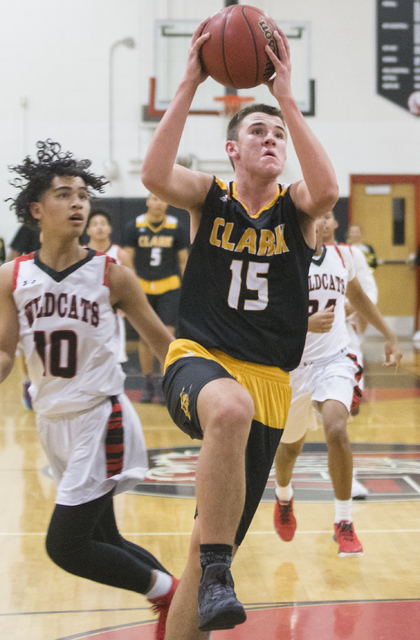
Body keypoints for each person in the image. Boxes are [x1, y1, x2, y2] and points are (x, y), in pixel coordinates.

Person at [141, 23, 339, 638]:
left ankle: (212, 572)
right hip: (200, 362)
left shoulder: (297, 209)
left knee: (198, 579)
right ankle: (222, 568)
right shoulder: (209, 197)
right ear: (232, 149)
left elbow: (329, 189)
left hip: (271, 387)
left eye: (278, 134)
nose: (272, 139)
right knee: (228, 407)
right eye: (258, 131)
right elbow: (153, 175)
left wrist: (285, 100)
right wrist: (189, 82)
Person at [0, 140, 178, 640]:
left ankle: (174, 595)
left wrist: (204, 397)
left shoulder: (112, 275)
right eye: (64, 195)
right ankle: (179, 598)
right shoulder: (12, 277)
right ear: (37, 209)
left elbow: (165, 344)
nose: (78, 203)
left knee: (66, 546)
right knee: (104, 536)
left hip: (102, 418)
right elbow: (5, 355)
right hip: (52, 421)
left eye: (82, 194)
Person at [273, 213, 401, 556]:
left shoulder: (343, 257)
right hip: (294, 365)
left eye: (328, 216)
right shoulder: (283, 258)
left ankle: (343, 522)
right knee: (289, 448)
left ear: (332, 224)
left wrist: (389, 335)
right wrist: (305, 323)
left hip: (334, 359)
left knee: (336, 429)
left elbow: (358, 298)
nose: (322, 221)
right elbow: (268, 315)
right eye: (316, 216)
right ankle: (283, 495)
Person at [123, 193, 189, 404]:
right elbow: (127, 260)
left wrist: (187, 287)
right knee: (145, 337)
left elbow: (183, 261)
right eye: (154, 199)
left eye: (161, 199)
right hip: (143, 288)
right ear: (148, 202)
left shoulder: (176, 227)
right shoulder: (134, 226)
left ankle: (164, 384)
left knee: (167, 336)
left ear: (168, 203)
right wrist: (132, 288)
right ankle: (148, 383)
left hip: (169, 286)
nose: (158, 203)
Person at [86, 208, 132, 363]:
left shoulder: (120, 254)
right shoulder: (81, 253)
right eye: (95, 224)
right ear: (88, 230)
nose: (99, 227)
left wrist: (126, 306)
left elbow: (131, 285)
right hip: (86, 312)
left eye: (103, 224)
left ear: (109, 228)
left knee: (114, 360)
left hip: (112, 312)